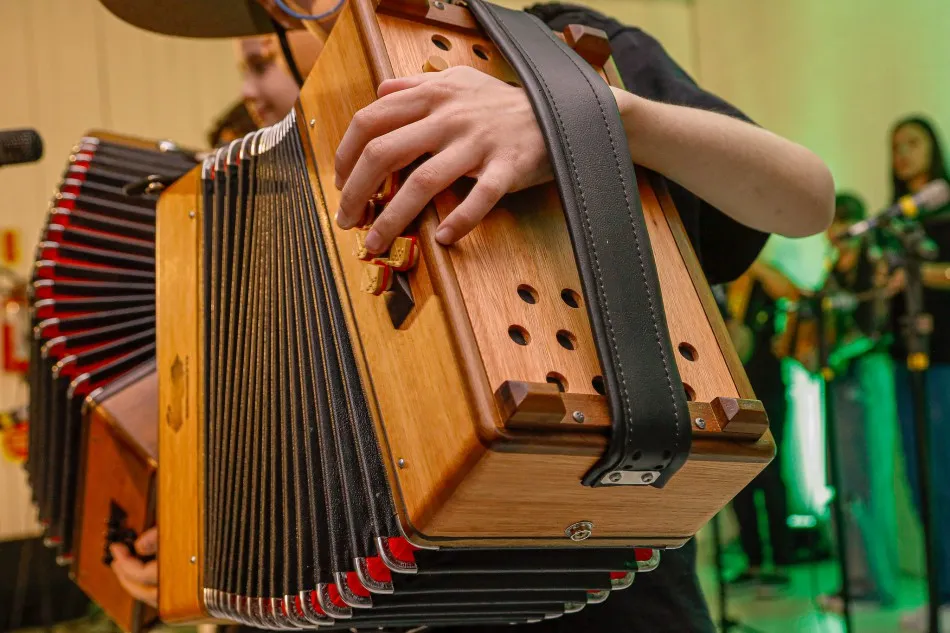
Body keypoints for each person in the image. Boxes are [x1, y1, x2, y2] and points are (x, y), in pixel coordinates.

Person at [102, 1, 836, 631]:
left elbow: (805, 198)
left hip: (606, 606)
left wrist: (573, 117)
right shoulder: (269, 190)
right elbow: (281, 426)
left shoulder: (556, 50)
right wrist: (205, 537)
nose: (298, 24)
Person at [815, 193, 900, 613]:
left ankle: (873, 582)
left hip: (865, 378)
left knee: (866, 484)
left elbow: (878, 328)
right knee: (842, 486)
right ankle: (855, 578)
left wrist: (840, 353)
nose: (835, 235)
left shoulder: (876, 266)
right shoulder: (836, 272)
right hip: (840, 380)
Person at [881, 115, 950, 632]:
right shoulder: (892, 223)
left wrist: (915, 273)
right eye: (896, 146)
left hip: (945, 362)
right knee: (919, 480)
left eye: (913, 142)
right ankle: (939, 592)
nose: (903, 153)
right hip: (905, 361)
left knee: (944, 478)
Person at [721, 259, 797, 588]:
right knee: (738, 478)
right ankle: (753, 561)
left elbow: (794, 294)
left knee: (771, 475)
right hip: (730, 392)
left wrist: (756, 264)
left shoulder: (764, 282)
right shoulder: (721, 287)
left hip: (768, 389)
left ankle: (781, 559)